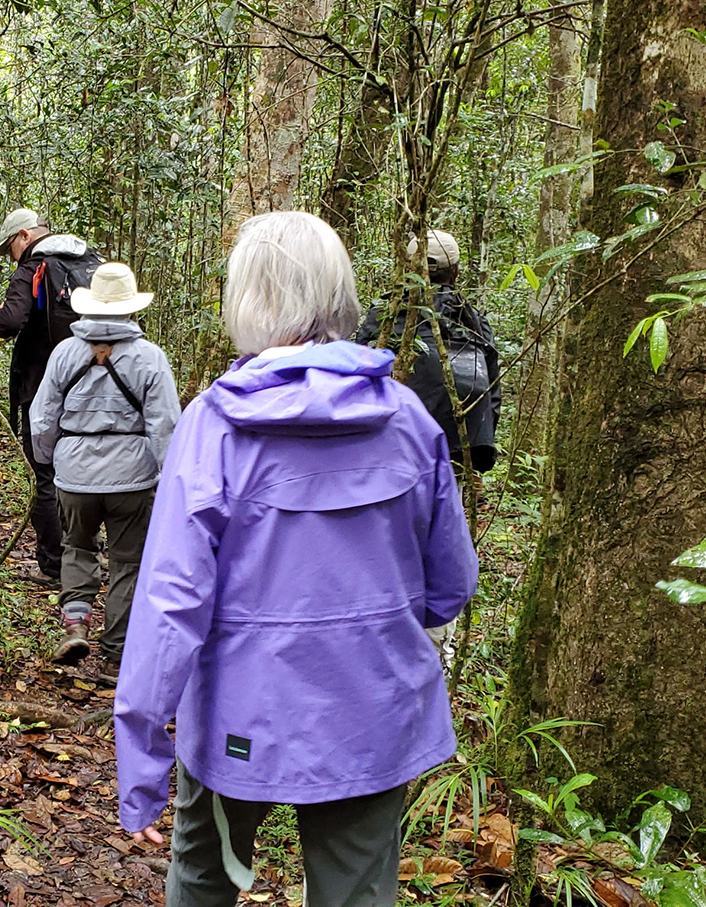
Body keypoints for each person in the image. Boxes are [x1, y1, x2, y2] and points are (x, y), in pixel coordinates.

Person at [115, 211, 479, 907]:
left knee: (203, 874)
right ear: (338, 293)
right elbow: (450, 586)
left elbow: (170, 602)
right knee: (356, 891)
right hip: (372, 710)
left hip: (237, 714)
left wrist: (140, 759)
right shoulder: (407, 420)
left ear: (244, 300)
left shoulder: (214, 425)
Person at [27, 262, 180, 681]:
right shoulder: (149, 358)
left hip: (74, 475)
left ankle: (76, 623)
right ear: (131, 309)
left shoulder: (64, 353)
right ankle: (116, 653)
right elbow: (165, 424)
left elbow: (42, 419)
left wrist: (48, 460)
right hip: (133, 476)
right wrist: (170, 477)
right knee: (128, 562)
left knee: (77, 547)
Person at [0, 208, 102, 584]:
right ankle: (90, 558)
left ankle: (55, 566)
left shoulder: (33, 268)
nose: (11, 256)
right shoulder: (89, 261)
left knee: (45, 474)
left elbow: (9, 322)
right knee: (84, 469)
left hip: (41, 387)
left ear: (24, 236)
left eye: (10, 248)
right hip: (94, 385)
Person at [353, 229, 503, 472]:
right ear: (456, 273)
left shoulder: (385, 315)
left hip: (396, 445)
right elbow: (493, 391)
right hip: (463, 448)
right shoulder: (475, 322)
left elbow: (359, 370)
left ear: (408, 270)